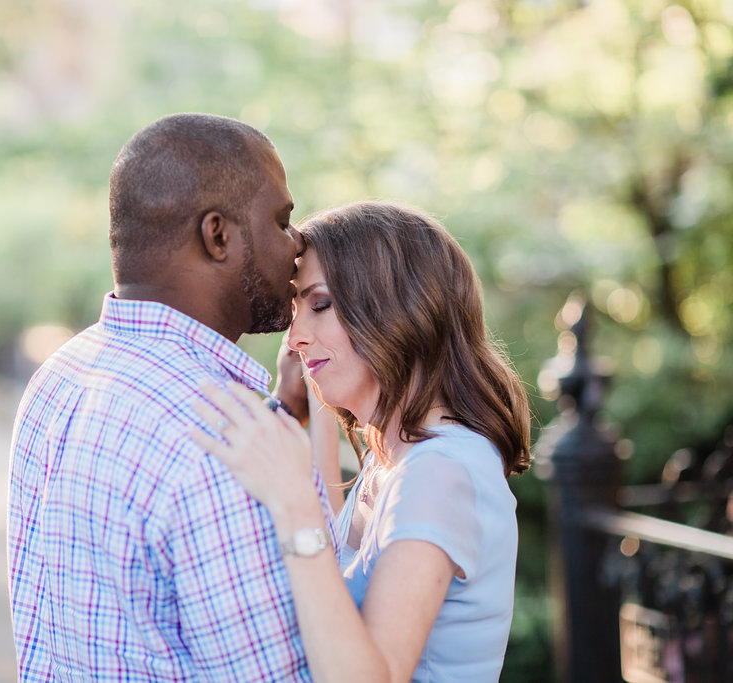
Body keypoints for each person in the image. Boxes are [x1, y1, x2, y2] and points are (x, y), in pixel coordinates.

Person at [7, 112, 334, 681]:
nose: (299, 241)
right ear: (218, 235)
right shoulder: (231, 438)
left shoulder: (59, 378)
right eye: (281, 221)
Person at [192, 200, 532, 682]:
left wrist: (293, 506)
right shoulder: (394, 454)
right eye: (294, 312)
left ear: (398, 306)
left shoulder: (437, 473)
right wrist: (308, 405)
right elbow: (340, 564)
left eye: (320, 304)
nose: (293, 340)